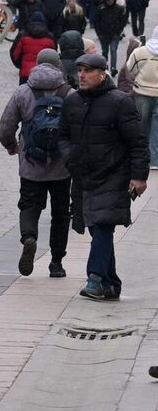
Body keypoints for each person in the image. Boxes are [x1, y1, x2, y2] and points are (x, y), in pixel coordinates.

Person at [63, 52, 147, 300]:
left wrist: (139, 176)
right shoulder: (73, 101)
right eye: (80, 70)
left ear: (102, 74)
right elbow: (62, 135)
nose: (82, 75)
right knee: (97, 228)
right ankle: (111, 283)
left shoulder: (120, 102)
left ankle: (95, 279)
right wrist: (70, 157)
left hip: (113, 175)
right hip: (83, 176)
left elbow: (137, 142)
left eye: (88, 71)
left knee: (102, 226)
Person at [0, 47, 72, 279]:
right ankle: (56, 263)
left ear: (37, 65)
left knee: (29, 206)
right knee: (61, 214)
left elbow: (6, 126)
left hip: (31, 164)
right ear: (58, 66)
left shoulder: (23, 92)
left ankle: (29, 237)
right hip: (62, 166)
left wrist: (11, 145)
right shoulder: (70, 93)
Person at [122, 35, 158, 173]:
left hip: (143, 92)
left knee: (141, 126)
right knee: (156, 127)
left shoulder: (141, 52)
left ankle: (141, 158)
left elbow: (130, 69)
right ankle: (155, 159)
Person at [13, 13, 56, 83]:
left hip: (26, 72)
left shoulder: (23, 35)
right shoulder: (50, 37)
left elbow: (15, 54)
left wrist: (20, 65)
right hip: (44, 73)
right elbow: (53, 55)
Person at [96, 0, 129, 71]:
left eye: (110, 1)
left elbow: (123, 21)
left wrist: (119, 31)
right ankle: (104, 66)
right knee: (105, 51)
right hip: (103, 34)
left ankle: (113, 67)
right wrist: (99, 33)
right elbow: (96, 22)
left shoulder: (119, 9)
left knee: (113, 50)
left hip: (115, 34)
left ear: (114, 0)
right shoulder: (101, 9)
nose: (109, 2)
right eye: (107, 1)